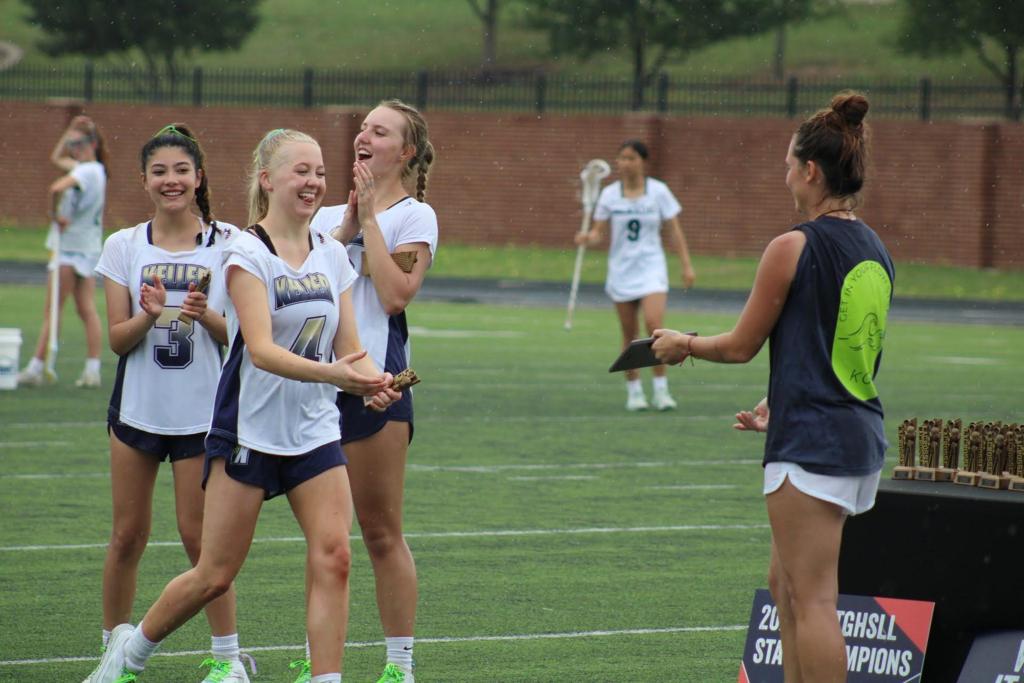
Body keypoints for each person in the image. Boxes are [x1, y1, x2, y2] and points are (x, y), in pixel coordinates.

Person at [87, 128, 398, 683]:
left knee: (335, 556)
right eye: (301, 171)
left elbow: (350, 346)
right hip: (249, 431)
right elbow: (260, 350)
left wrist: (374, 380)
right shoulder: (245, 253)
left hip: (314, 430)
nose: (313, 182)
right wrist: (337, 376)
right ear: (268, 180)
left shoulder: (332, 254)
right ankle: (129, 653)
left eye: (320, 172)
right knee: (214, 573)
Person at [651, 92, 894, 683]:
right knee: (783, 587)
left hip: (814, 441)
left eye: (788, 164)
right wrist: (779, 399)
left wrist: (684, 343)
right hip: (851, 432)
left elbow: (740, 346)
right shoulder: (875, 247)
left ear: (811, 171)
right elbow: (849, 347)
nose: (784, 175)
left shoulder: (792, 245)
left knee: (813, 601)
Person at [81, 124, 252, 683]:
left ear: (199, 177)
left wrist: (206, 316)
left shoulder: (229, 243)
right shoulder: (125, 244)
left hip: (200, 416)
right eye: (159, 171)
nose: (170, 180)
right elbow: (116, 339)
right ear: (143, 180)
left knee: (201, 540)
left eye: (181, 170)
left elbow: (245, 336)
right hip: (138, 410)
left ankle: (227, 659)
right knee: (127, 536)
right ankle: (113, 652)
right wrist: (149, 316)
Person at [307, 99, 437, 683]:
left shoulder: (416, 217)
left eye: (379, 131)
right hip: (319, 383)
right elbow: (307, 284)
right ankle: (317, 661)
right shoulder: (326, 215)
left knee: (381, 533)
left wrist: (370, 224)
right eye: (363, 127)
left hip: (378, 384)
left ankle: (398, 666)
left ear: (405, 152)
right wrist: (345, 226)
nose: (364, 136)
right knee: (324, 538)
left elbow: (393, 295)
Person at [575, 139, 695, 412]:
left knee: (655, 327)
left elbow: (675, 230)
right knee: (629, 334)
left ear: (643, 162)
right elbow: (598, 232)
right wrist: (587, 238)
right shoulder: (610, 195)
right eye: (622, 158)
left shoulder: (658, 192)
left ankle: (661, 390)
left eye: (631, 158)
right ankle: (634, 392)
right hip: (621, 271)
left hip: (651, 268)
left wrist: (686, 265)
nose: (625, 163)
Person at [19, 115, 107, 388]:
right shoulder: (94, 169)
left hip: (70, 247)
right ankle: (92, 370)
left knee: (53, 309)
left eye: (78, 144)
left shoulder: (86, 171)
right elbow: (56, 158)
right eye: (72, 144)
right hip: (87, 246)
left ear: (92, 143)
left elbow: (55, 187)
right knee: (86, 309)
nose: (73, 149)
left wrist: (54, 215)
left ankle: (36, 367)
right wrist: (70, 130)